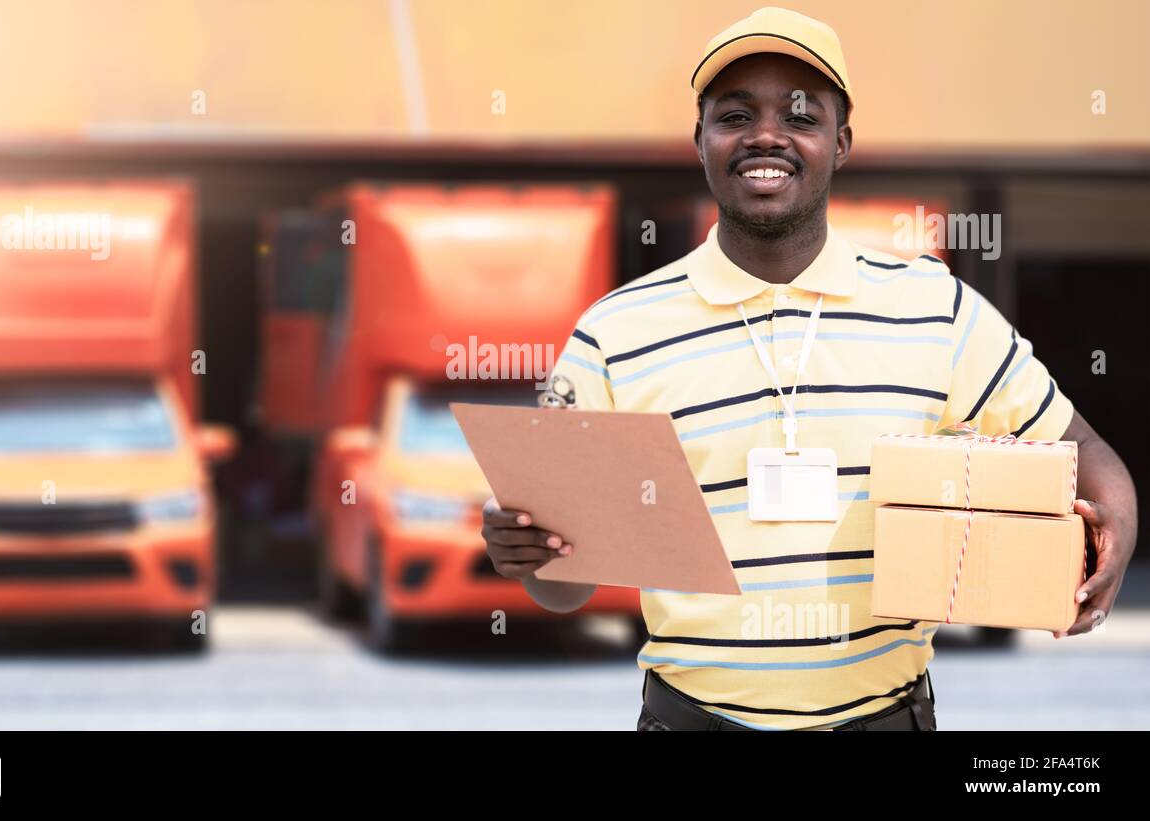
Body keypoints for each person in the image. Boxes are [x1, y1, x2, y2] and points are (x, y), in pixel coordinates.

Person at [480, 6, 1138, 731]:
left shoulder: (938, 310)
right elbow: (566, 590)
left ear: (841, 141)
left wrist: (1114, 538)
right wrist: (528, 553)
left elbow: (1087, 449)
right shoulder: (613, 335)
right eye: (734, 115)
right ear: (700, 140)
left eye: (800, 114)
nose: (767, 134)